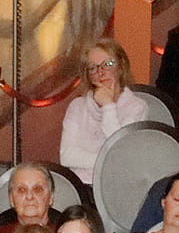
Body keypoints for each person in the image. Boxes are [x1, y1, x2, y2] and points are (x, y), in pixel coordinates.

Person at [60, 37, 149, 177]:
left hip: (115, 182)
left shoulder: (137, 107)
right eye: (92, 68)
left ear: (121, 67)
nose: (100, 72)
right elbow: (66, 157)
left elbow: (121, 151)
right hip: (81, 184)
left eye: (107, 64)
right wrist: (109, 159)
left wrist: (108, 106)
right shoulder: (77, 106)